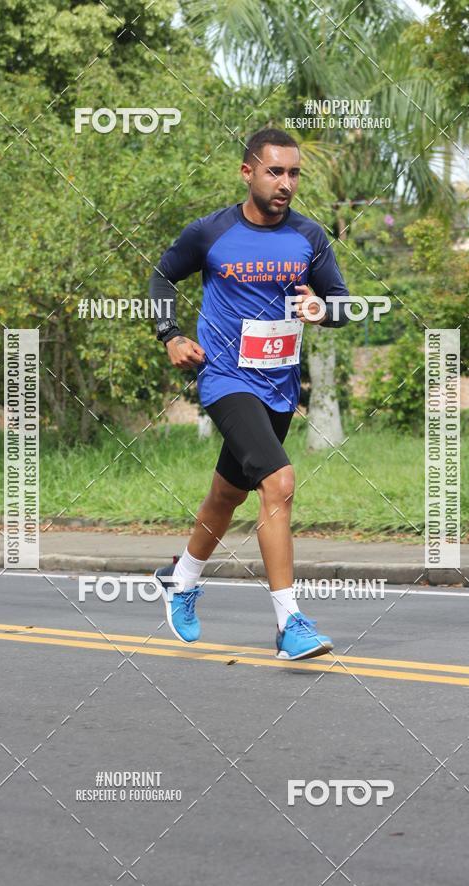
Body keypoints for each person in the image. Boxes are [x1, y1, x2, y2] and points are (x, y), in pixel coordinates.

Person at [149, 127, 350, 661]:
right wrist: (170, 335)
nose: (286, 183)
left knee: (227, 494)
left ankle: (182, 577)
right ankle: (290, 623)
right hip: (225, 378)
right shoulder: (211, 232)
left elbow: (344, 304)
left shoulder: (309, 237)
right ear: (248, 172)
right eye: (274, 171)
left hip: (280, 386)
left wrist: (322, 310)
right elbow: (162, 277)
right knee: (279, 483)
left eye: (293, 173)